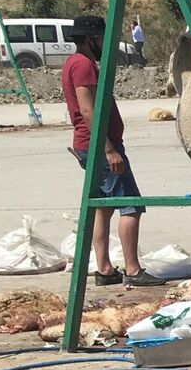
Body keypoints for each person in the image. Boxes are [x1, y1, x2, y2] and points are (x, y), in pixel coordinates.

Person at [62, 15, 154, 287]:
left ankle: (104, 269)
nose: (105, 44)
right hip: (99, 148)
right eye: (102, 38)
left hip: (89, 145)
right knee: (131, 205)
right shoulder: (83, 66)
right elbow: (89, 111)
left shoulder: (76, 63)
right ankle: (133, 269)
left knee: (103, 208)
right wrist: (109, 150)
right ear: (92, 39)